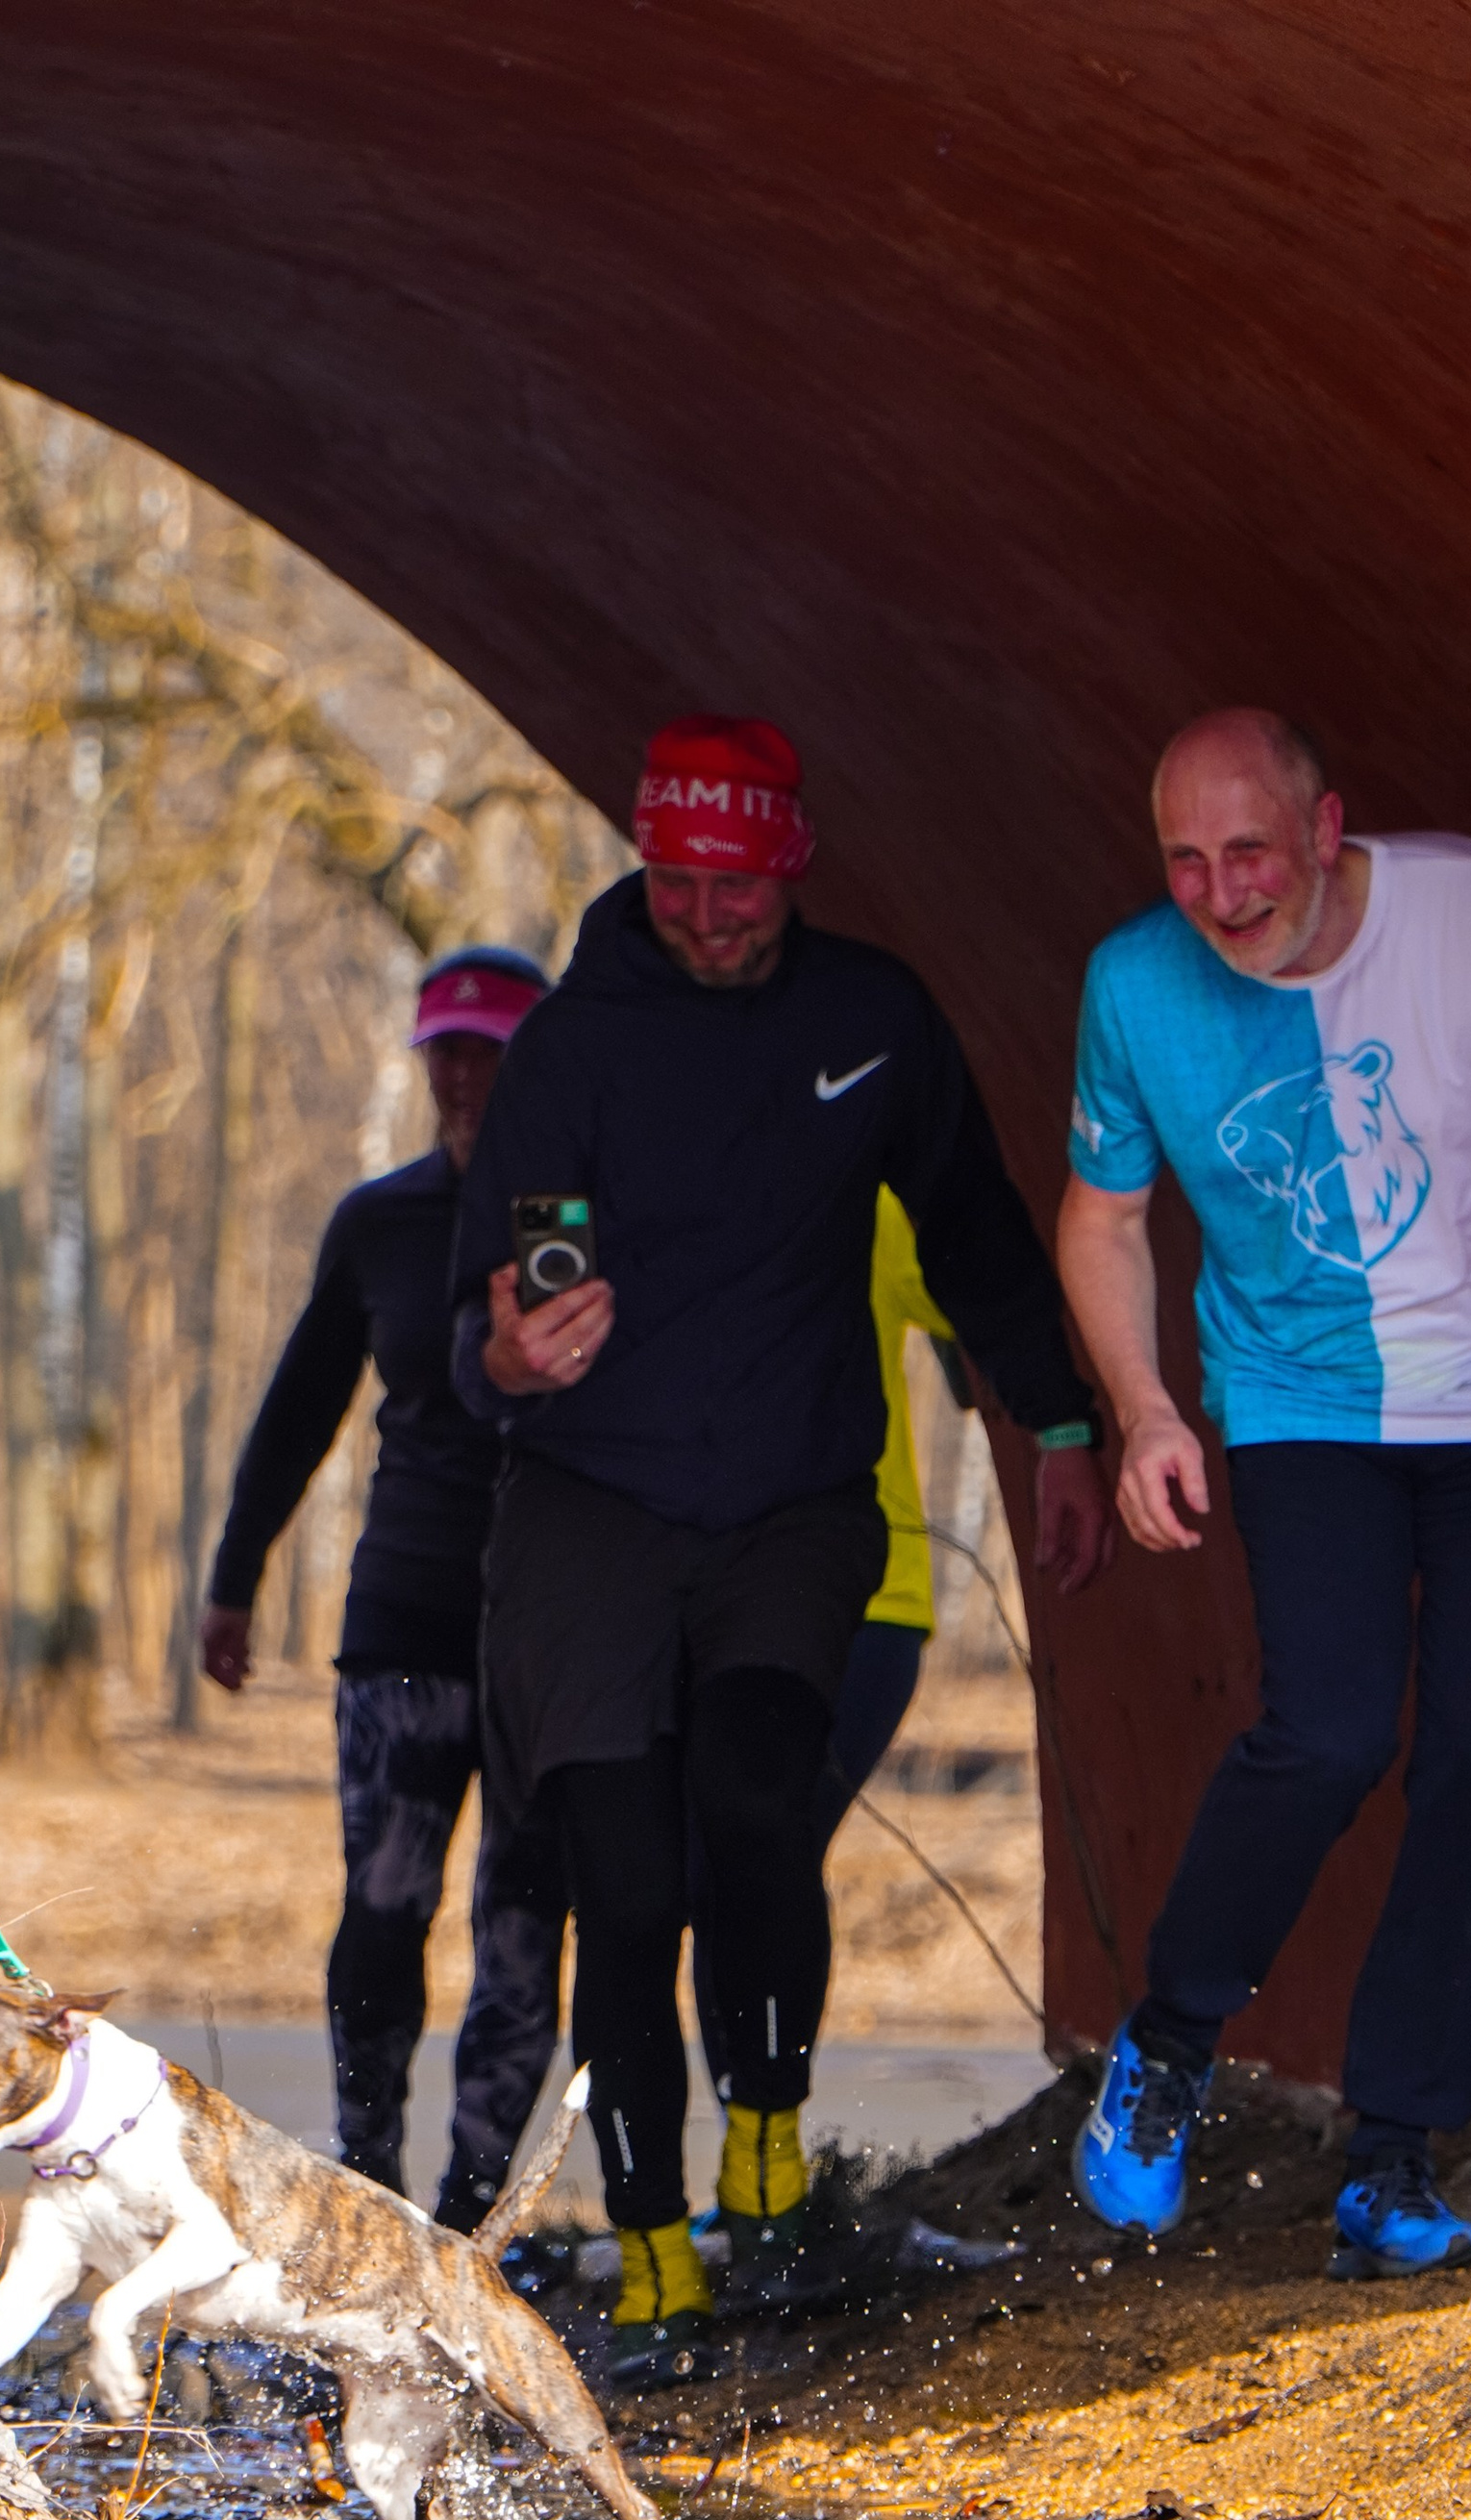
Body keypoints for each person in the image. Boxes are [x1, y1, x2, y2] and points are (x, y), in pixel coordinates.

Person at [453, 714, 1109, 2382]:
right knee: (625, 1879)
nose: (704, 916)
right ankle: (654, 2239)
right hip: (592, 1507)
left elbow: (971, 1232)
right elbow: (498, 1307)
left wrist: (1066, 1424)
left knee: (755, 1794)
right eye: (675, 881)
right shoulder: (577, 1047)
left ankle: (766, 2126)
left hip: (791, 1501)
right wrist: (512, 1352)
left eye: (735, 886)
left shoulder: (870, 1023)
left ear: (791, 869)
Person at [1058, 709, 1471, 2277]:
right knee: (1327, 1730)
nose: (1219, 890)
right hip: (1301, 1400)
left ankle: (1394, 2160)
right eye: (1184, 858)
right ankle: (1171, 2042)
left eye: (1249, 851)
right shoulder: (1135, 982)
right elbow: (1103, 1221)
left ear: (1329, 829)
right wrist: (1142, 1415)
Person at [202, 945, 567, 2232]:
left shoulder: (575, 1215)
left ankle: (470, 2225)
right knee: (388, 1903)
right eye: (447, 1053)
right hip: (404, 1614)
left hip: (549, 1628)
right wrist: (234, 1580)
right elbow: (300, 1404)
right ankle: (366, 2181)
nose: (467, 1076)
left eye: (494, 1052)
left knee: (523, 1930)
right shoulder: (382, 1221)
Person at [686, 1183, 1033, 2196]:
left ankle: (770, 2167)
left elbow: (995, 1307)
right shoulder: (652, 1193)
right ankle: (758, 2176)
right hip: (707, 1601)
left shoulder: (865, 1197)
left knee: (766, 1847)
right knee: (721, 1869)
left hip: (869, 1597)